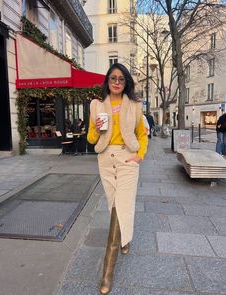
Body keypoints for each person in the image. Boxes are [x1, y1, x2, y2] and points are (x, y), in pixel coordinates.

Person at [87, 63, 148, 294]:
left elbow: (142, 135)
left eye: (121, 79)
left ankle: (107, 273)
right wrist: (98, 129)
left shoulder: (134, 105)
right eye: (113, 78)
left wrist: (139, 156)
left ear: (126, 83)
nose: (116, 82)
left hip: (127, 159)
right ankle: (125, 240)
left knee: (119, 208)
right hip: (105, 158)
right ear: (107, 80)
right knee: (115, 205)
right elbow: (91, 138)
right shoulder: (96, 105)